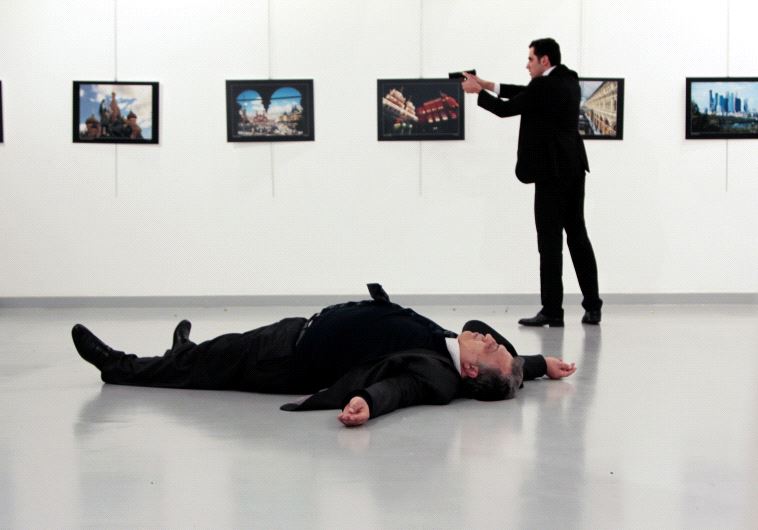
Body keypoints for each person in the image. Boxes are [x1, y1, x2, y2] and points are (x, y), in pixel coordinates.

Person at [72, 284, 577, 427]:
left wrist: (367, 402)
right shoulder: (453, 349)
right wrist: (535, 365)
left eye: (491, 349)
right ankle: (185, 352)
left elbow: (398, 389)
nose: (489, 338)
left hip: (282, 359)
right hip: (297, 332)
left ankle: (119, 367)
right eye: (495, 342)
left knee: (206, 364)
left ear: (469, 371)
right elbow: (494, 351)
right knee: (215, 352)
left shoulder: (438, 376)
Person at [462, 38, 602, 327]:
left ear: (544, 60)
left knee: (549, 243)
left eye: (530, 59)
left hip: (550, 172)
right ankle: (593, 307)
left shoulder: (543, 86)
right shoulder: (568, 80)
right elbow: (525, 93)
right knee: (578, 237)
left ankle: (552, 310)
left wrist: (478, 92)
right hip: (573, 168)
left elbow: (507, 109)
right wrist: (487, 84)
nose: (527, 65)